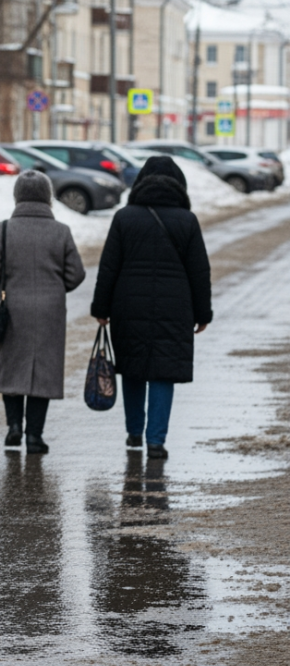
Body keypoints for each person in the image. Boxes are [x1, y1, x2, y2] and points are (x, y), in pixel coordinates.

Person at [91, 156, 212, 459]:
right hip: (175, 308)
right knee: (163, 372)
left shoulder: (124, 217)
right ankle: (155, 441)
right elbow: (199, 271)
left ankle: (134, 433)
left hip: (127, 305)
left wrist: (101, 307)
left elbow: (109, 267)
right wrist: (202, 313)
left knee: (132, 368)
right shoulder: (187, 220)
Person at [0, 170, 86, 454]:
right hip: (50, 311)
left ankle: (14, 427)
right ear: (48, 197)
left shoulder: (3, 229)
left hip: (12, 308)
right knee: (43, 373)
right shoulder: (61, 231)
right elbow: (76, 274)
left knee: (12, 369)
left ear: (17, 197)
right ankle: (35, 437)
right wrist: (54, 287)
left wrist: (6, 282)